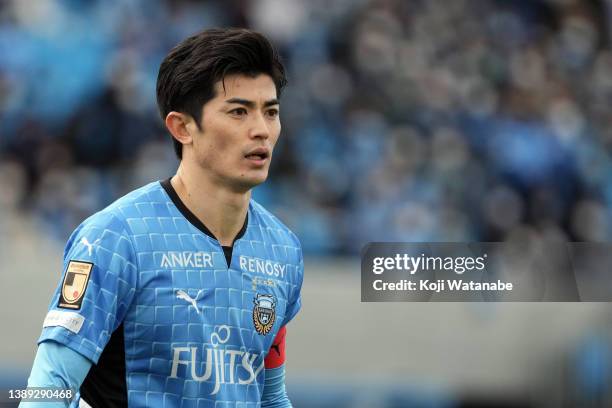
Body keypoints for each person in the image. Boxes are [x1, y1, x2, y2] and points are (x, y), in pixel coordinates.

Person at [22, 27, 303, 408]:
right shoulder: (115, 238)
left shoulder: (282, 250)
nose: (261, 130)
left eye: (270, 112)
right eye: (238, 111)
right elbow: (46, 390)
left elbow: (270, 397)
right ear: (182, 127)